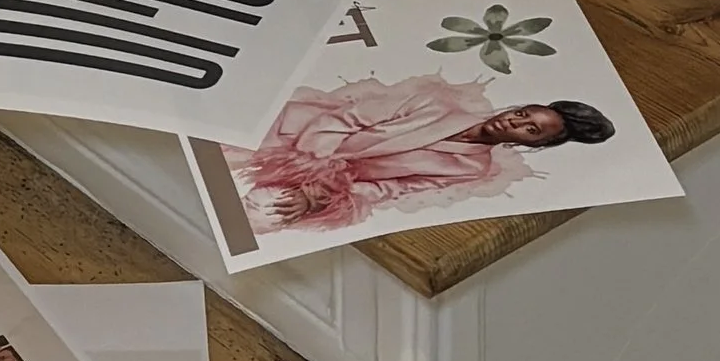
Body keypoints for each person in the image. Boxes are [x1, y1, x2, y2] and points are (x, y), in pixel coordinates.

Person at [239, 74, 615, 235]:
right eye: (522, 113)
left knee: (260, 217)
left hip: (321, 186)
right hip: (292, 139)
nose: (513, 122)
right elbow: (342, 119)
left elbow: (392, 189)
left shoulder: (472, 168)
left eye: (529, 130)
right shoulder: (435, 103)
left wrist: (318, 196)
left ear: (532, 145)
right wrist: (311, 172)